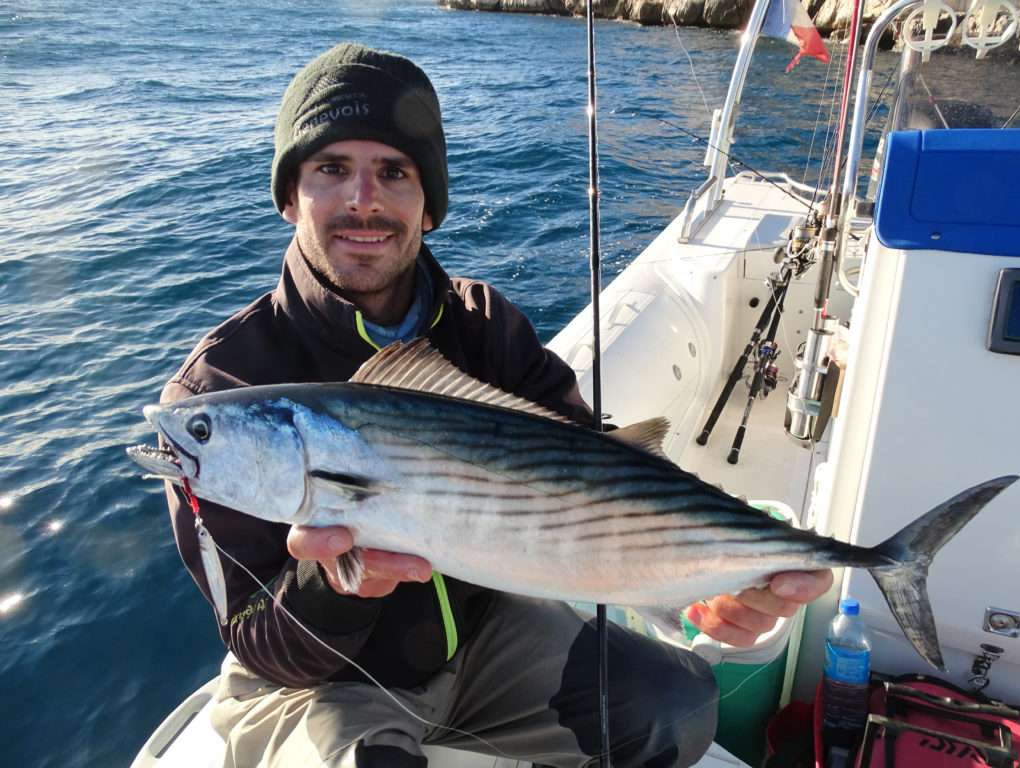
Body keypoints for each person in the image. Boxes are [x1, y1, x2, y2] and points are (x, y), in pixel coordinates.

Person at [160, 42, 832, 767]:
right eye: (331, 169)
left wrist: (692, 575)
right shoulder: (220, 394)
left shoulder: (483, 323)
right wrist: (336, 583)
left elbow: (599, 470)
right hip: (324, 682)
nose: (364, 200)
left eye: (394, 171)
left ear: (429, 202)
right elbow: (262, 644)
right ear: (291, 196)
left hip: (486, 631)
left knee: (680, 705)